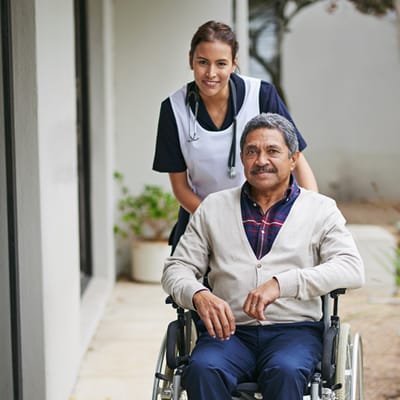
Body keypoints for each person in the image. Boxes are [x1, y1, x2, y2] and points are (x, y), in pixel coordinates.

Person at [161, 113, 365, 400]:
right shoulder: (213, 208)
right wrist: (197, 293)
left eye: (272, 151)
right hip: (227, 332)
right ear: (242, 159)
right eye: (251, 151)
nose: (261, 160)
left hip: (294, 333)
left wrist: (283, 284)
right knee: (203, 369)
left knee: (286, 371)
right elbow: (176, 268)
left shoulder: (321, 210)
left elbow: (351, 268)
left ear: (293, 159)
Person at [152, 20, 318, 250]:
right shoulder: (173, 109)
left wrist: (314, 212)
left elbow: (297, 160)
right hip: (202, 220)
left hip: (264, 220)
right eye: (202, 62)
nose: (211, 73)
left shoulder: (261, 95)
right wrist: (219, 225)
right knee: (194, 285)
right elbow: (181, 188)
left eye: (221, 63)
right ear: (191, 60)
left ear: (234, 64)